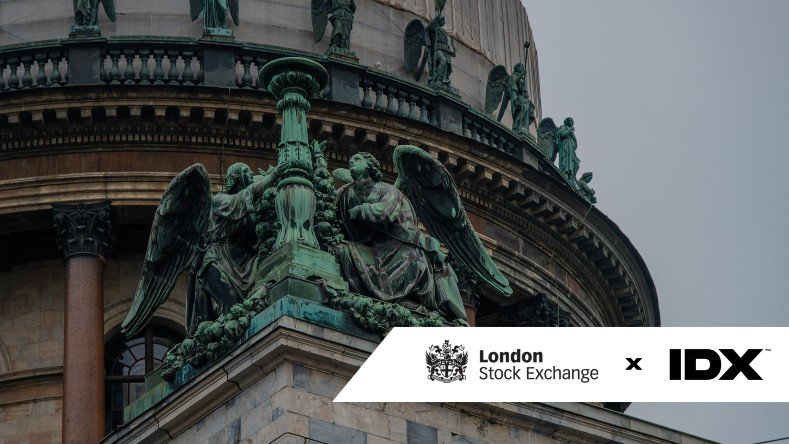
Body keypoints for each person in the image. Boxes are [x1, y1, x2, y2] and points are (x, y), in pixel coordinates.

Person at [334, 153, 467, 322]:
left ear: (369, 166)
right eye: (350, 160)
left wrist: (361, 210)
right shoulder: (350, 191)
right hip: (378, 250)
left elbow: (386, 212)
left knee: (412, 261)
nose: (351, 161)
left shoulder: (388, 190)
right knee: (341, 250)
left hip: (403, 249)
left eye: (357, 159)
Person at [186, 163, 280, 333]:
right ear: (236, 178)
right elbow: (241, 200)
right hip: (217, 258)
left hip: (241, 260)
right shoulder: (219, 201)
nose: (251, 174)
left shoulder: (247, 213)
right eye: (246, 172)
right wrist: (273, 177)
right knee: (230, 309)